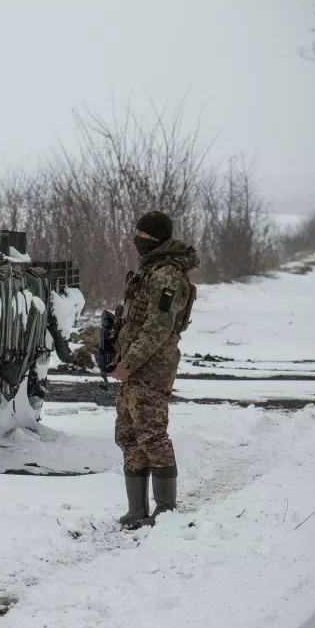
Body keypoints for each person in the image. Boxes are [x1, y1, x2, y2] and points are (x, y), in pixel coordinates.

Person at [111, 210, 199, 528]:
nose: (137, 240)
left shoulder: (167, 275)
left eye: (142, 236)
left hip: (152, 367)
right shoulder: (148, 271)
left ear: (155, 239)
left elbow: (159, 326)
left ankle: (165, 512)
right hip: (131, 366)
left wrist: (130, 363)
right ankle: (137, 510)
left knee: (152, 435)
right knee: (128, 436)